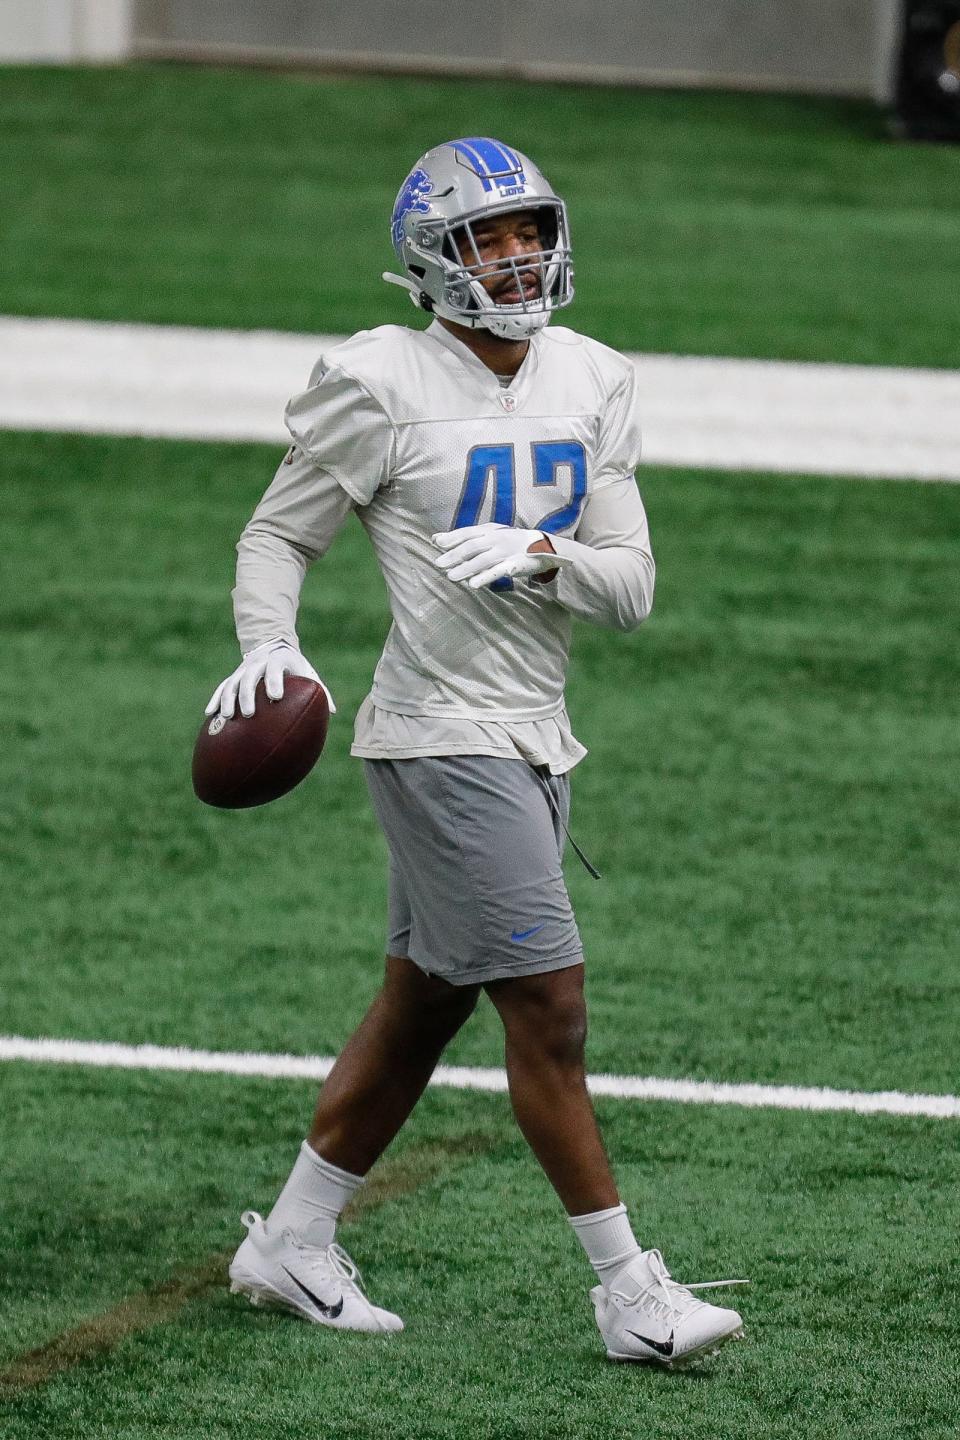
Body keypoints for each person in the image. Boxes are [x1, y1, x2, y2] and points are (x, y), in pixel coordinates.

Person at [208, 137, 746, 1366]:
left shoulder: (596, 376)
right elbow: (276, 537)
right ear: (431, 259)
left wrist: (545, 555)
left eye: (529, 229)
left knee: (424, 1008)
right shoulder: (379, 378)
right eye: (486, 238)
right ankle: (628, 1294)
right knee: (549, 1010)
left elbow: (633, 588)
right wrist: (269, 648)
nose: (518, 257)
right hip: (437, 738)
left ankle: (292, 1238)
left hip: (535, 736)